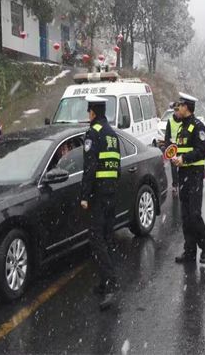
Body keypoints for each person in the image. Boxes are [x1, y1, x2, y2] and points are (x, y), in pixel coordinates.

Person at [80, 95, 121, 310]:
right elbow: (116, 165)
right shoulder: (111, 134)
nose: (88, 115)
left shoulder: (93, 133)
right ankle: (106, 282)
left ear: (93, 112)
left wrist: (85, 196)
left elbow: (90, 166)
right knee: (107, 237)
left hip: (97, 195)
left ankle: (111, 285)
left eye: (89, 112)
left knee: (97, 240)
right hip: (111, 193)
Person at [172, 92, 205, 264]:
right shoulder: (181, 127)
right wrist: (175, 157)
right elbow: (180, 149)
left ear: (186, 107)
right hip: (183, 175)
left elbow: (202, 151)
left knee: (194, 215)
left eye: (180, 105)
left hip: (194, 175)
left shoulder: (198, 126)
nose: (178, 109)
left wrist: (184, 159)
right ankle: (189, 251)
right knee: (186, 217)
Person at [164, 101, 182, 195]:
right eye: (175, 110)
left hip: (182, 147)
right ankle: (175, 185)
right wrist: (168, 149)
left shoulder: (184, 120)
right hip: (173, 148)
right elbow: (167, 137)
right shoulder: (170, 121)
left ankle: (182, 183)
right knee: (174, 168)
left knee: (182, 167)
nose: (176, 112)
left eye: (178, 110)